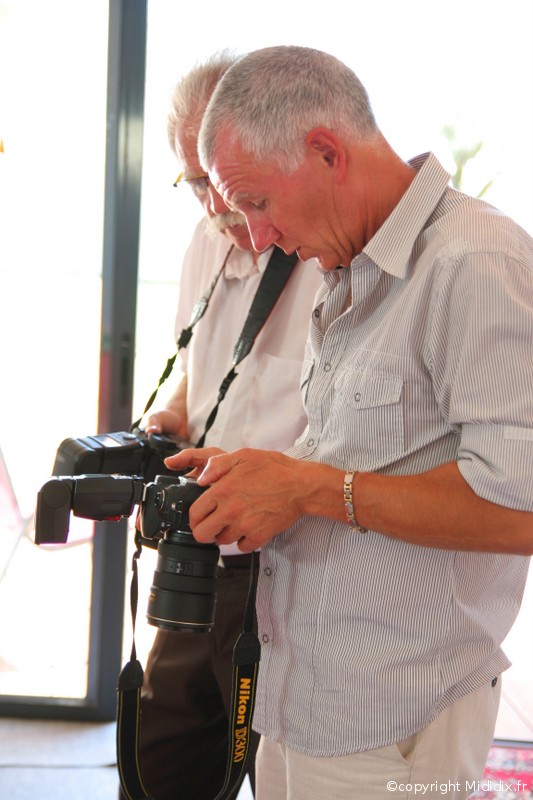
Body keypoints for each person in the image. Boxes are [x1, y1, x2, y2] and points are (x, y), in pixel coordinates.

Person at [164, 46, 533, 800]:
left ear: (327, 152)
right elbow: (359, 454)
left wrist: (306, 489)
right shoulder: (345, 266)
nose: (256, 238)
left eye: (256, 202)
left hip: (395, 723)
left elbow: (519, 508)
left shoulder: (474, 261)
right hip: (299, 701)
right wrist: (258, 483)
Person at [127, 52, 323, 800]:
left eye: (229, 184)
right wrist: (168, 417)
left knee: (278, 770)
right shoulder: (205, 241)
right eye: (196, 183)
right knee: (160, 758)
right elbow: (198, 368)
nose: (217, 206)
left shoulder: (325, 251)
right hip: (199, 549)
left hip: (290, 566)